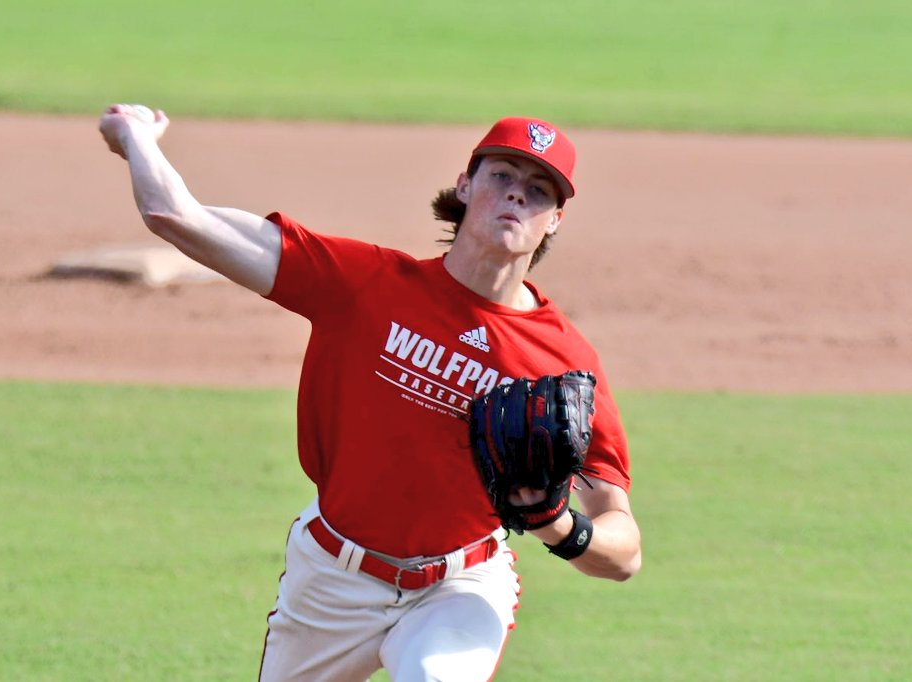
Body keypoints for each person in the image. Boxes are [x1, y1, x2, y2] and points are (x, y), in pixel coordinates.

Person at [99, 105, 642, 681]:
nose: (516, 196)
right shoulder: (364, 287)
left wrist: (557, 523)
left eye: (538, 190)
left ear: (555, 219)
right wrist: (135, 135)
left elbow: (623, 549)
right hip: (332, 579)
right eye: (501, 176)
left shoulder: (564, 366)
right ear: (465, 185)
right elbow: (173, 215)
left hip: (459, 586)